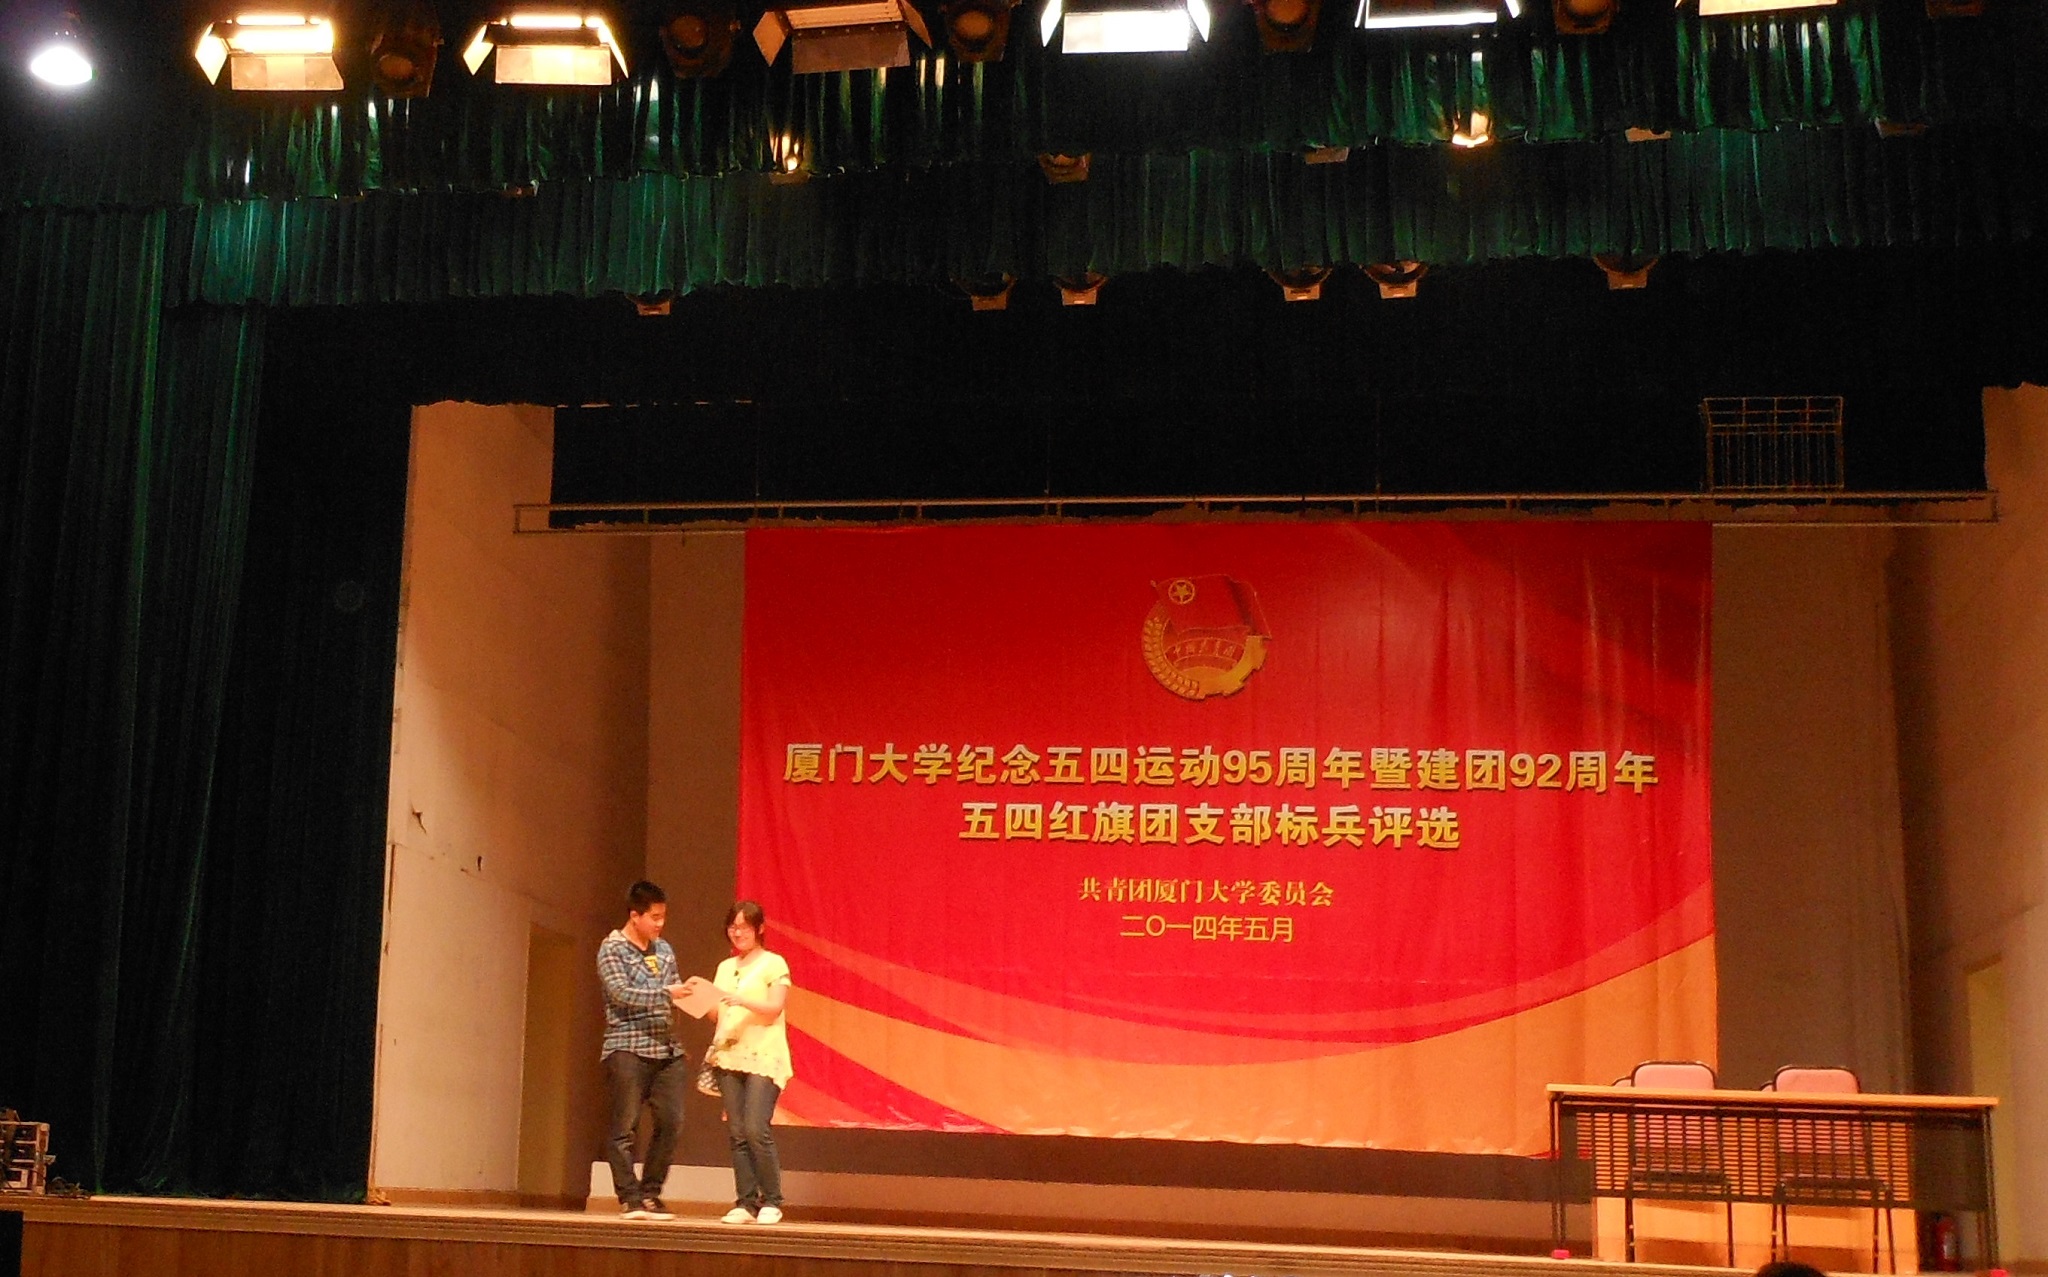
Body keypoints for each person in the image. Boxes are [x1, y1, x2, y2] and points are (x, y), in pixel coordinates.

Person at [686, 900, 792, 1224]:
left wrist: (741, 1000)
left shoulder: (774, 963)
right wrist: (694, 997)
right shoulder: (724, 967)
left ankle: (771, 1200)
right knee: (736, 1131)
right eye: (733, 926)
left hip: (764, 1055)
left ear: (759, 929)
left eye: (744, 926)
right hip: (729, 1055)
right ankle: (746, 1202)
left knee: (755, 1127)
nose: (738, 932)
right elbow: (718, 1014)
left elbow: (774, 1008)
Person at [596, 880, 688, 1221]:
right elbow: (620, 993)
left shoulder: (664, 949)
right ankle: (629, 1197)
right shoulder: (612, 948)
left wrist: (690, 995)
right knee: (625, 1126)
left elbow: (674, 989)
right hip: (628, 1046)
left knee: (672, 1121)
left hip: (666, 1048)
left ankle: (650, 1193)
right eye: (654, 917)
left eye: (663, 916)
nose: (660, 923)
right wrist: (667, 994)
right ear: (635, 916)